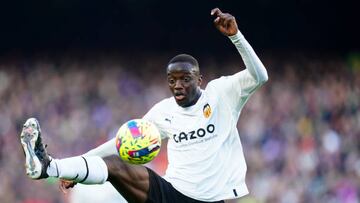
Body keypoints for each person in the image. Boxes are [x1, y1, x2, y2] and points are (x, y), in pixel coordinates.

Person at [20, 8, 268, 203]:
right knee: (115, 166)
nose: (178, 85)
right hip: (170, 195)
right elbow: (118, 144)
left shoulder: (221, 94)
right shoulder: (164, 111)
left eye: (185, 79)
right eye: (172, 81)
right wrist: (73, 167)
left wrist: (236, 36)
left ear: (199, 79)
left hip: (211, 200)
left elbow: (260, 76)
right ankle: (48, 166)